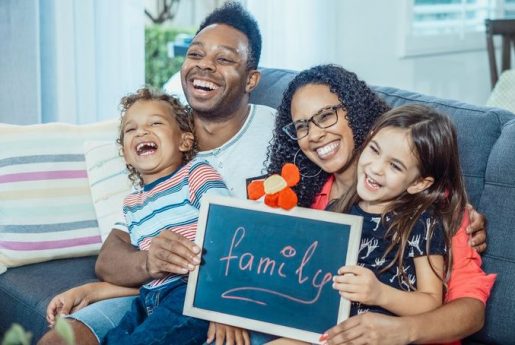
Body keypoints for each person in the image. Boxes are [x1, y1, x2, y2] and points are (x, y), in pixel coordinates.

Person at [38, 2, 275, 345]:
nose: (205, 65)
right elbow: (112, 254)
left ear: (251, 78)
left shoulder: (276, 132)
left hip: (211, 296)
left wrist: (225, 307)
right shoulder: (162, 150)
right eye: (195, 54)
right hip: (150, 293)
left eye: (224, 59)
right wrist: (145, 264)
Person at [262, 64, 495, 345]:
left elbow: (469, 312)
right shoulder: (310, 200)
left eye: (325, 116)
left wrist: (398, 329)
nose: (314, 134)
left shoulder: (432, 211)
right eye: (302, 126)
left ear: (356, 112)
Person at [47, 87, 230, 344]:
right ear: (125, 152)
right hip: (148, 297)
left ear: (184, 141)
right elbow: (145, 273)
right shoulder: (133, 203)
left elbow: (228, 231)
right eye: (130, 129)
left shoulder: (196, 174)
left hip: (192, 292)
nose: (141, 131)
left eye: (155, 123)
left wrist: (223, 304)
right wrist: (93, 291)